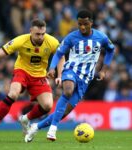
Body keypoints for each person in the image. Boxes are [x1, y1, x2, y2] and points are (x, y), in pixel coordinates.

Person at [24, 9, 115, 143]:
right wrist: (52, 67)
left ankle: (36, 127)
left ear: (91, 23)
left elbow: (111, 50)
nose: (82, 27)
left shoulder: (101, 37)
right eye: (79, 24)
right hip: (70, 70)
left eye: (85, 24)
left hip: (86, 78)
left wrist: (103, 70)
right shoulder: (71, 37)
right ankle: (53, 129)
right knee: (67, 91)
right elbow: (59, 54)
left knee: (64, 112)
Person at [0, 19, 64, 137]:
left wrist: (59, 74)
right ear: (30, 31)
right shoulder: (20, 40)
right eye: (37, 34)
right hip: (22, 72)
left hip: (39, 75)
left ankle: (25, 118)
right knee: (13, 94)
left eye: (43, 34)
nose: (41, 37)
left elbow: (61, 57)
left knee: (47, 106)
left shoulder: (52, 41)